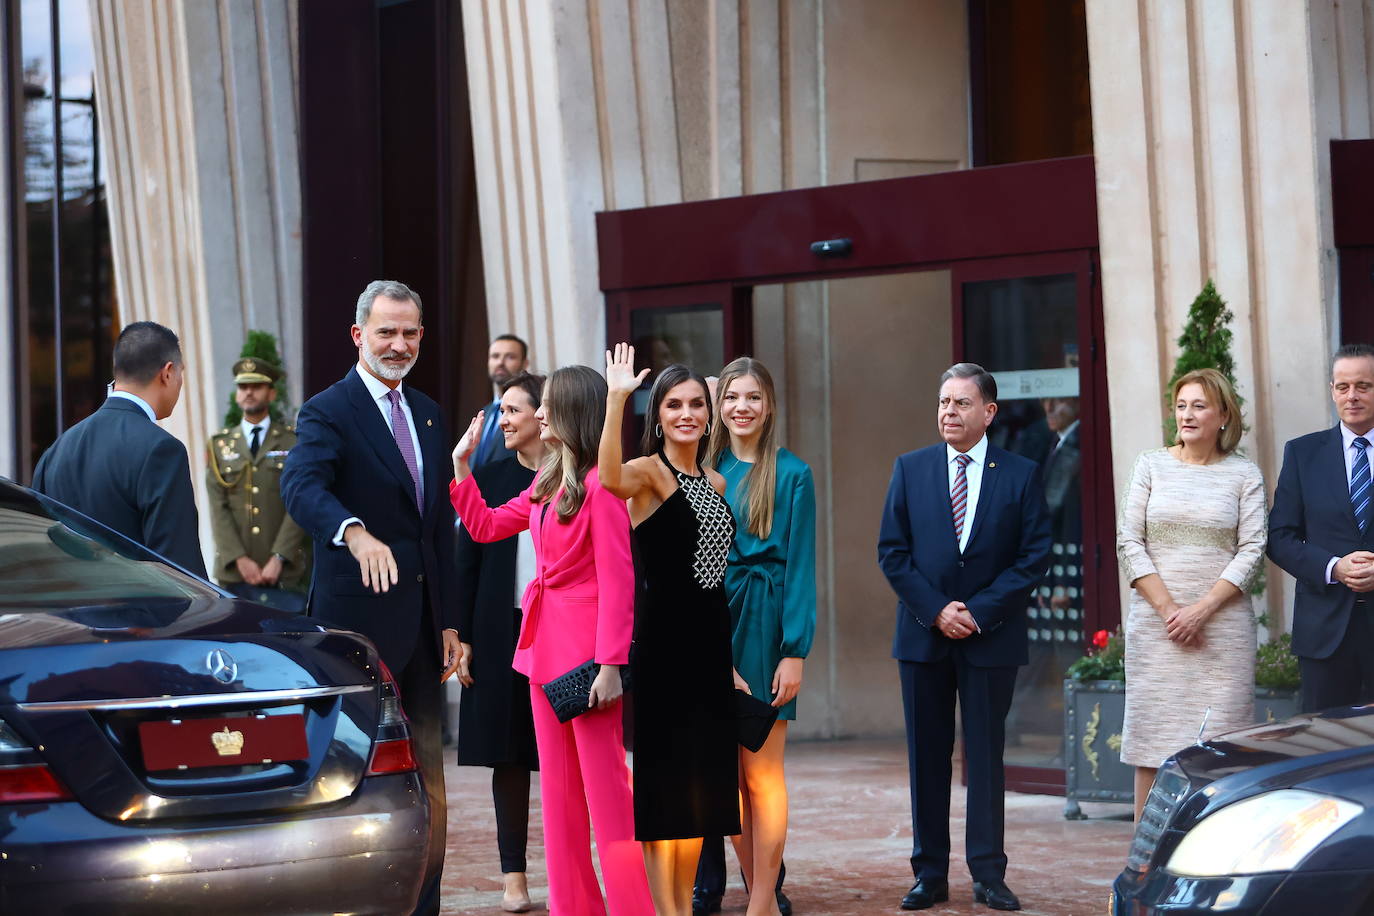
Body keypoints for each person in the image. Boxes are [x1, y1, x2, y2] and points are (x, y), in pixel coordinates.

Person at [279, 280, 462, 916]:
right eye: (386, 331)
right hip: (355, 637)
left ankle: (425, 906)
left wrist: (451, 622)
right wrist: (353, 533)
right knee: (352, 779)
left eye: (410, 332)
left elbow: (435, 528)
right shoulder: (328, 411)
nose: (399, 344)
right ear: (359, 335)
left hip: (423, 632)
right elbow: (300, 486)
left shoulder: (432, 415)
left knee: (428, 783)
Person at [450, 364, 654, 916]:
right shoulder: (546, 482)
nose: (537, 413)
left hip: (588, 661)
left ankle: (634, 908)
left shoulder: (601, 489)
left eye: (547, 405)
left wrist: (611, 663)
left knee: (607, 799)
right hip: (539, 654)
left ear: (573, 412)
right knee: (560, 804)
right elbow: (487, 525)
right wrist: (461, 466)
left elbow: (619, 580)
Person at [877, 362, 1051, 913]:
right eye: (944, 403)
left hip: (989, 637)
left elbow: (1032, 557)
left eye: (961, 404)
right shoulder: (911, 468)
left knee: (986, 756)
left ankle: (988, 874)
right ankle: (928, 874)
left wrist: (977, 612)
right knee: (926, 759)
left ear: (989, 413)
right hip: (923, 637)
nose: (949, 412)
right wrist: (935, 610)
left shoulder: (1020, 474)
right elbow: (892, 553)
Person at [599, 344, 742, 916]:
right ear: (657, 415)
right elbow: (608, 477)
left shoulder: (717, 481)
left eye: (697, 405)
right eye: (675, 405)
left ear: (708, 414)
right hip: (665, 649)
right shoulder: (649, 476)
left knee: (703, 796)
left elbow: (715, 578)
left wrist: (728, 664)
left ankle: (680, 908)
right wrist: (616, 401)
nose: (687, 414)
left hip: (710, 648)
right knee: (667, 794)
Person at [1116, 368, 1266, 820]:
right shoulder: (1150, 465)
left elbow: (1254, 548)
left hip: (1222, 632)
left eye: (1199, 405)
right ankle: (1144, 867)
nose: (1187, 414)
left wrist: (1200, 610)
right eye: (1181, 405)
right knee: (1151, 743)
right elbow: (1129, 542)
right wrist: (1170, 612)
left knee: (1224, 750)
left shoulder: (1244, 474)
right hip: (1157, 629)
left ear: (1223, 415)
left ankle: (1217, 857)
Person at [693, 357, 813, 916]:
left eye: (753, 397)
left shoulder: (793, 474)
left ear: (769, 407)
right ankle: (754, 885)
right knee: (724, 775)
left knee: (762, 773)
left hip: (766, 623)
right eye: (731, 397)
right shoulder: (702, 468)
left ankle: (762, 902)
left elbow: (802, 567)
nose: (742, 407)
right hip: (712, 621)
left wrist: (795, 650)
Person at [452, 371, 547, 914]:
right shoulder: (488, 476)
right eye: (502, 410)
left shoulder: (570, 479)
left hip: (559, 631)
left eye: (514, 410)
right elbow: (467, 561)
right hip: (500, 631)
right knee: (508, 758)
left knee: (560, 758)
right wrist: (461, 636)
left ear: (544, 415)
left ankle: (570, 866)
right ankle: (514, 876)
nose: (504, 420)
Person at [33, 321, 207, 578]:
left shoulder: (57, 450)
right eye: (181, 373)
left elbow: (40, 552)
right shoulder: (161, 450)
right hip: (139, 615)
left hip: (68, 615)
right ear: (168, 372)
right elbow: (179, 569)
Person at [1270, 343, 1374, 711]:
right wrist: (1334, 567)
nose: (1352, 396)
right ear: (1332, 390)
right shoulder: (1303, 453)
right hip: (1325, 633)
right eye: (1343, 387)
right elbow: (1279, 537)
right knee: (1323, 750)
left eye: (1363, 385)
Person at [206, 357, 311, 610]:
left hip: (284, 571)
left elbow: (298, 502)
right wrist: (239, 559)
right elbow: (217, 508)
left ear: (272, 393)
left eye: (256, 386)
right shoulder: (220, 446)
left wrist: (279, 557)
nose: (249, 392)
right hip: (234, 573)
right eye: (243, 387)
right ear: (236, 395)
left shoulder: (292, 442)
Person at [471, 334, 531, 470]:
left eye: (510, 357)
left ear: (525, 363)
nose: (500, 363)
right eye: (495, 356)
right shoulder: (484, 412)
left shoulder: (533, 411)